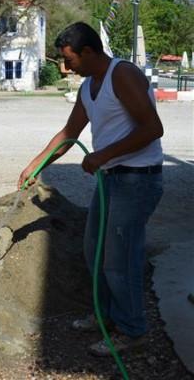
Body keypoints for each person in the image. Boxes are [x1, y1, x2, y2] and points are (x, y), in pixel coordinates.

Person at [19, 22, 164, 357]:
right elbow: (69, 132)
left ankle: (133, 331)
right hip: (111, 178)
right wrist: (36, 164)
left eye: (69, 60)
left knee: (120, 259)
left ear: (88, 51)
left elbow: (153, 128)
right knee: (94, 249)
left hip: (137, 179)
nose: (65, 67)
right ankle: (107, 316)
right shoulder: (88, 87)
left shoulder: (122, 75)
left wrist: (102, 156)